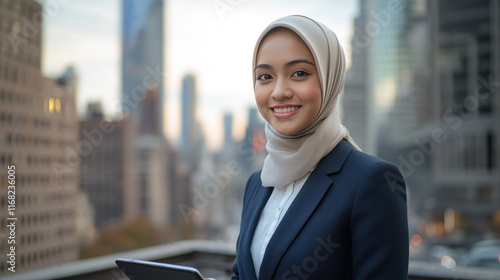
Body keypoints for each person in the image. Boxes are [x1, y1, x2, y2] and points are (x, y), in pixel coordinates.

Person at [231, 15, 409, 280]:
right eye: (265, 76)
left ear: (330, 78)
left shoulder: (373, 181)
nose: (279, 91)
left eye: (299, 73)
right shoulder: (257, 184)